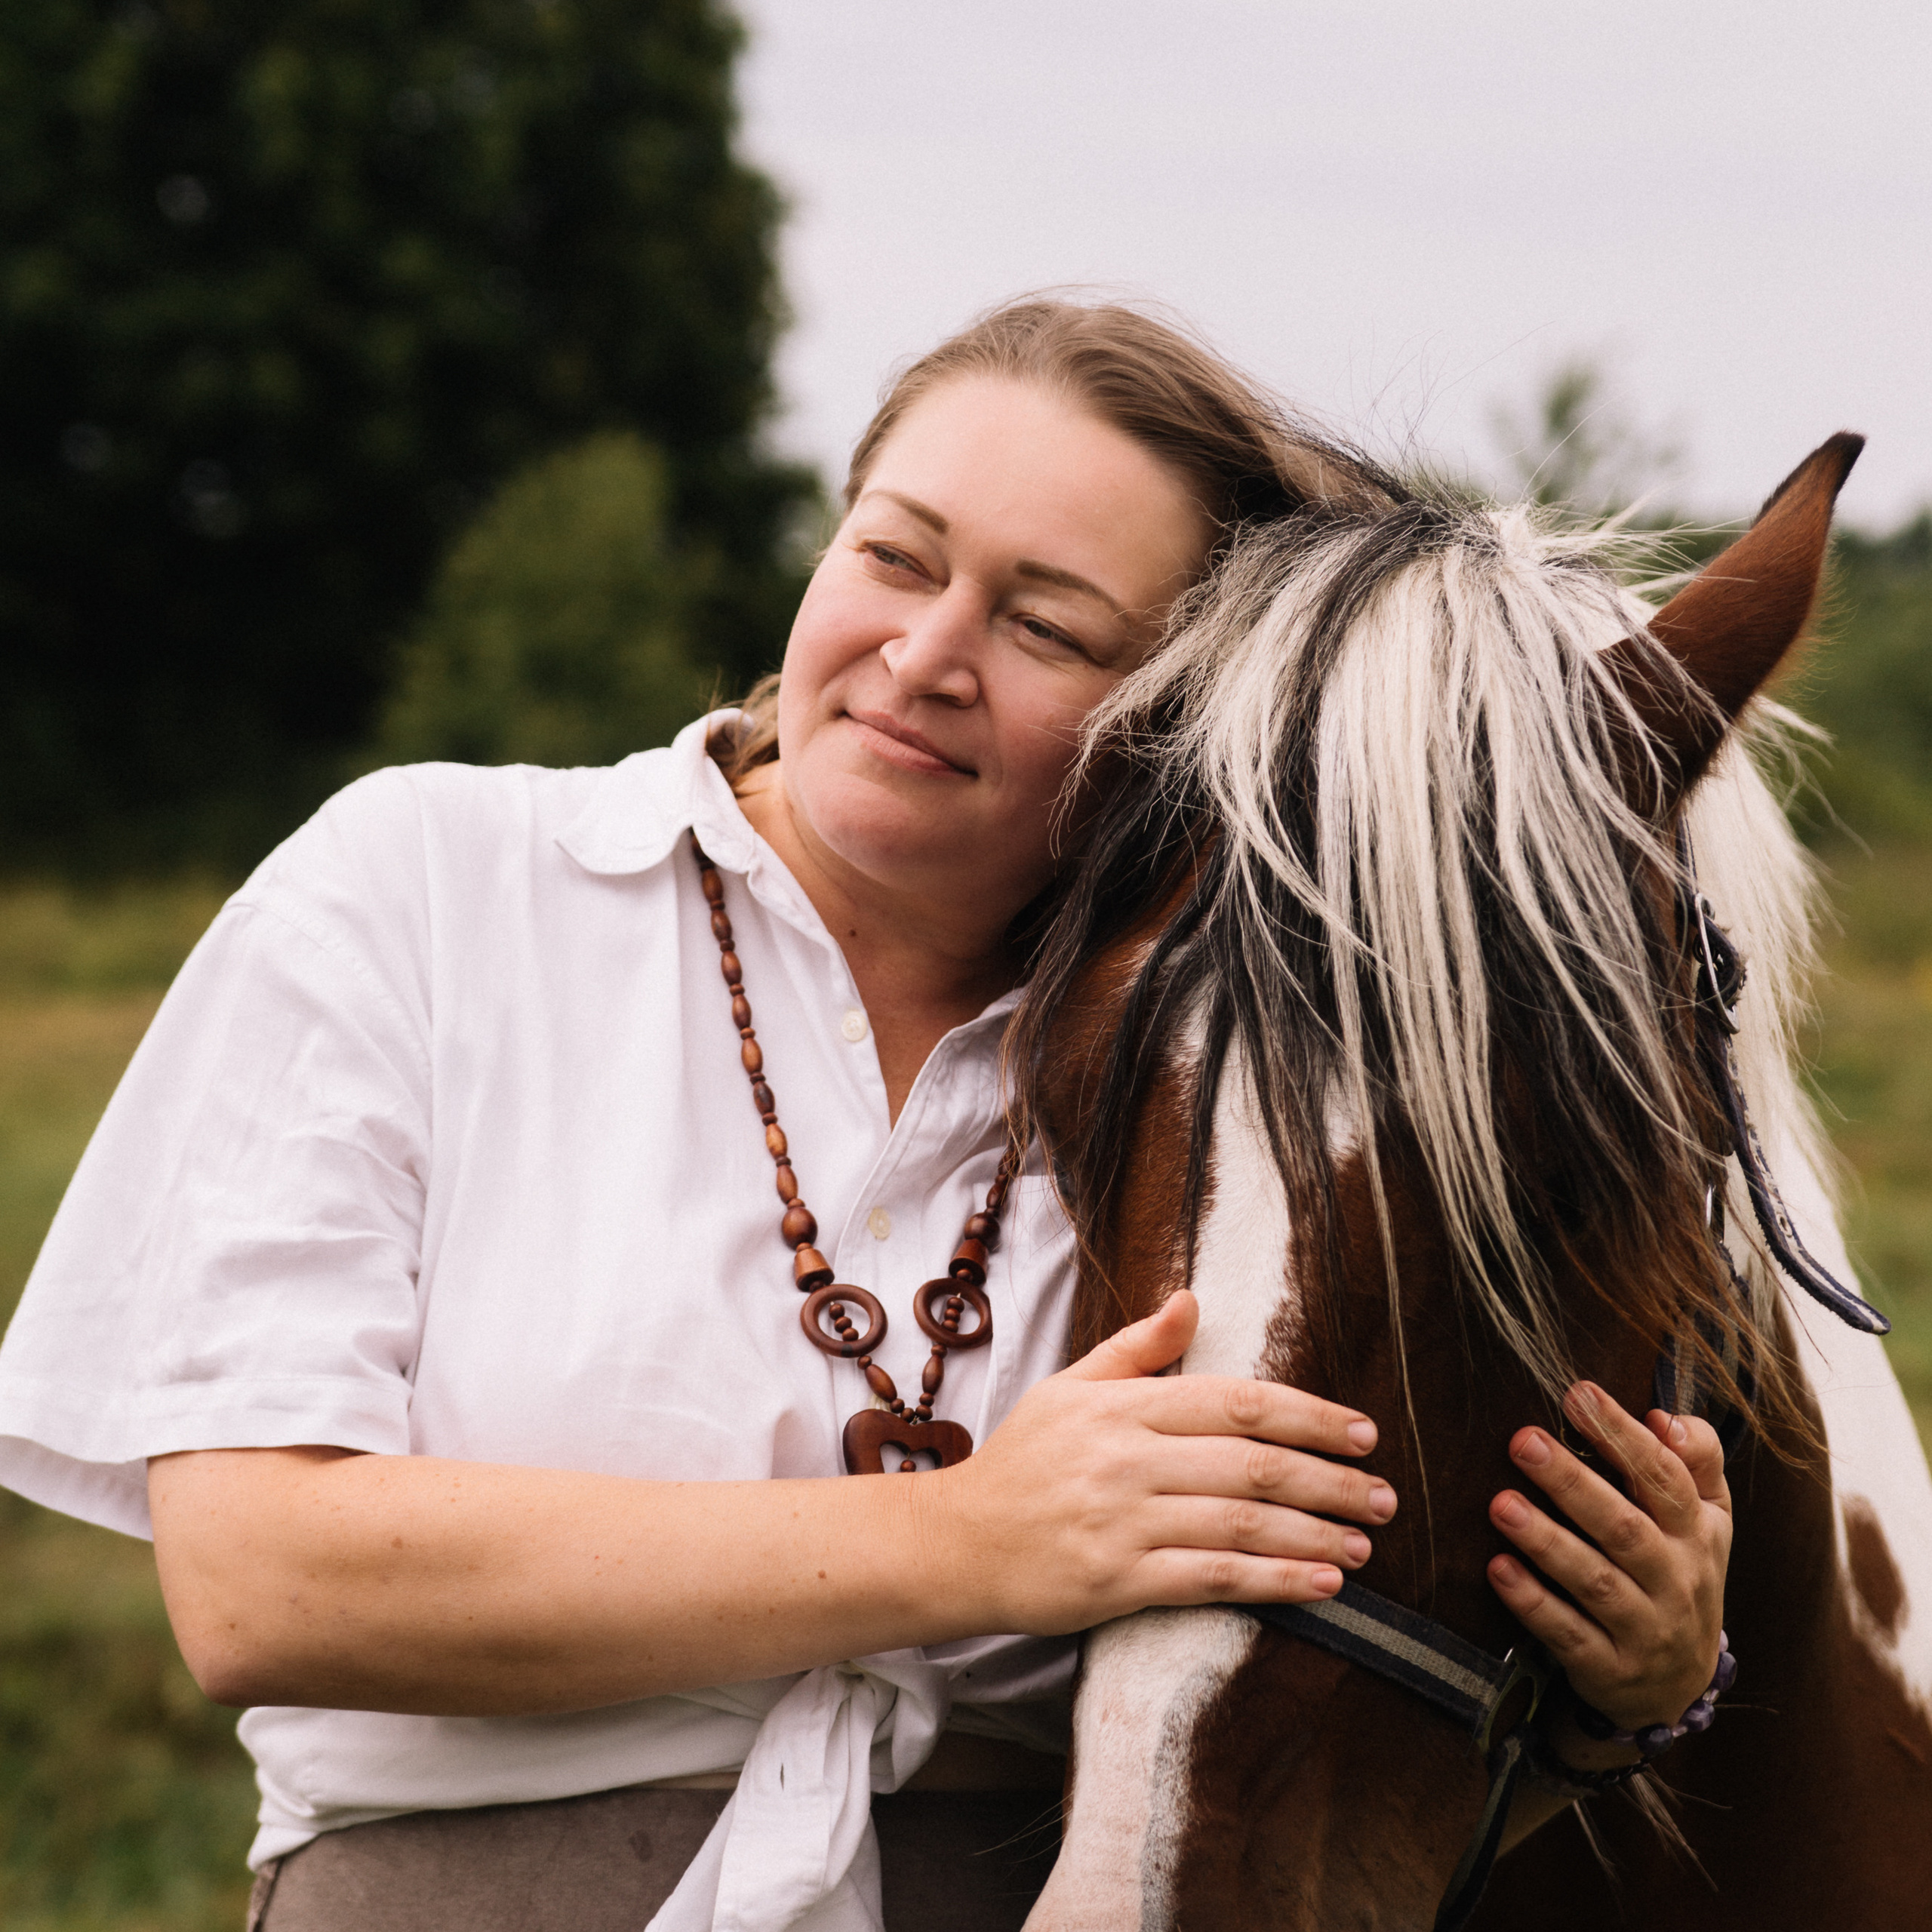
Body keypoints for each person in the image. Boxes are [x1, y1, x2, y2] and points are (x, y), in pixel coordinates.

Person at [0, 300, 1733, 1931]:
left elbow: (1314, 1681)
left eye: (1046, 622)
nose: (923, 652)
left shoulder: (1240, 1078)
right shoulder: (424, 885)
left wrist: (1631, 1686)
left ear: (1178, 718)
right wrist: (970, 1539)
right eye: (893, 555)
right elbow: (261, 1583)